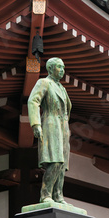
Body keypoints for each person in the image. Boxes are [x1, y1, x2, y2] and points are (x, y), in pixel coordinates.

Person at [28, 57, 72, 204]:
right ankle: (46, 194)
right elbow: (33, 101)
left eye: (63, 68)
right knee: (55, 160)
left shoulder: (62, 88)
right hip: (51, 123)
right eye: (59, 67)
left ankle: (58, 195)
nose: (62, 71)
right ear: (50, 69)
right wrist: (36, 124)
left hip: (63, 127)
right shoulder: (44, 83)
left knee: (63, 164)